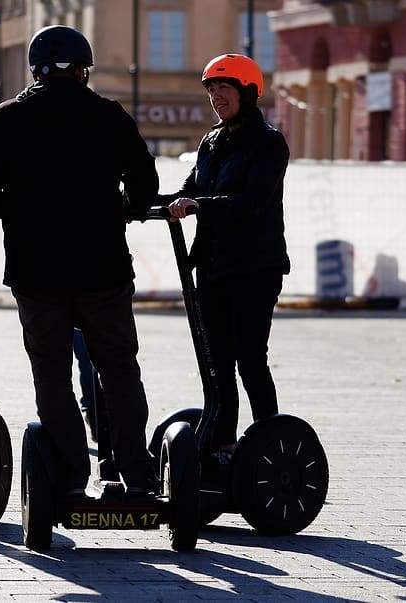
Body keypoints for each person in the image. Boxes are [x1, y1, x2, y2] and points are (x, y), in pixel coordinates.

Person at [0, 25, 159, 496]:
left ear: (35, 69)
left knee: (51, 376)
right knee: (118, 369)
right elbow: (145, 186)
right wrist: (126, 208)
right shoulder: (108, 114)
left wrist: (13, 208)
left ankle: (71, 477)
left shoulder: (10, 117)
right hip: (102, 269)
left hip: (36, 273)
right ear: (81, 69)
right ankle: (136, 473)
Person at [162, 54, 291, 463]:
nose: (217, 97)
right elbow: (186, 190)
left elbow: (251, 201)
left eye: (225, 88)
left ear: (248, 93)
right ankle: (223, 444)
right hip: (214, 267)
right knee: (216, 363)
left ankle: (271, 444)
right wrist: (142, 205)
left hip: (255, 268)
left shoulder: (269, 143)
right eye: (212, 90)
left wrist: (197, 204)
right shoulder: (211, 142)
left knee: (250, 358)